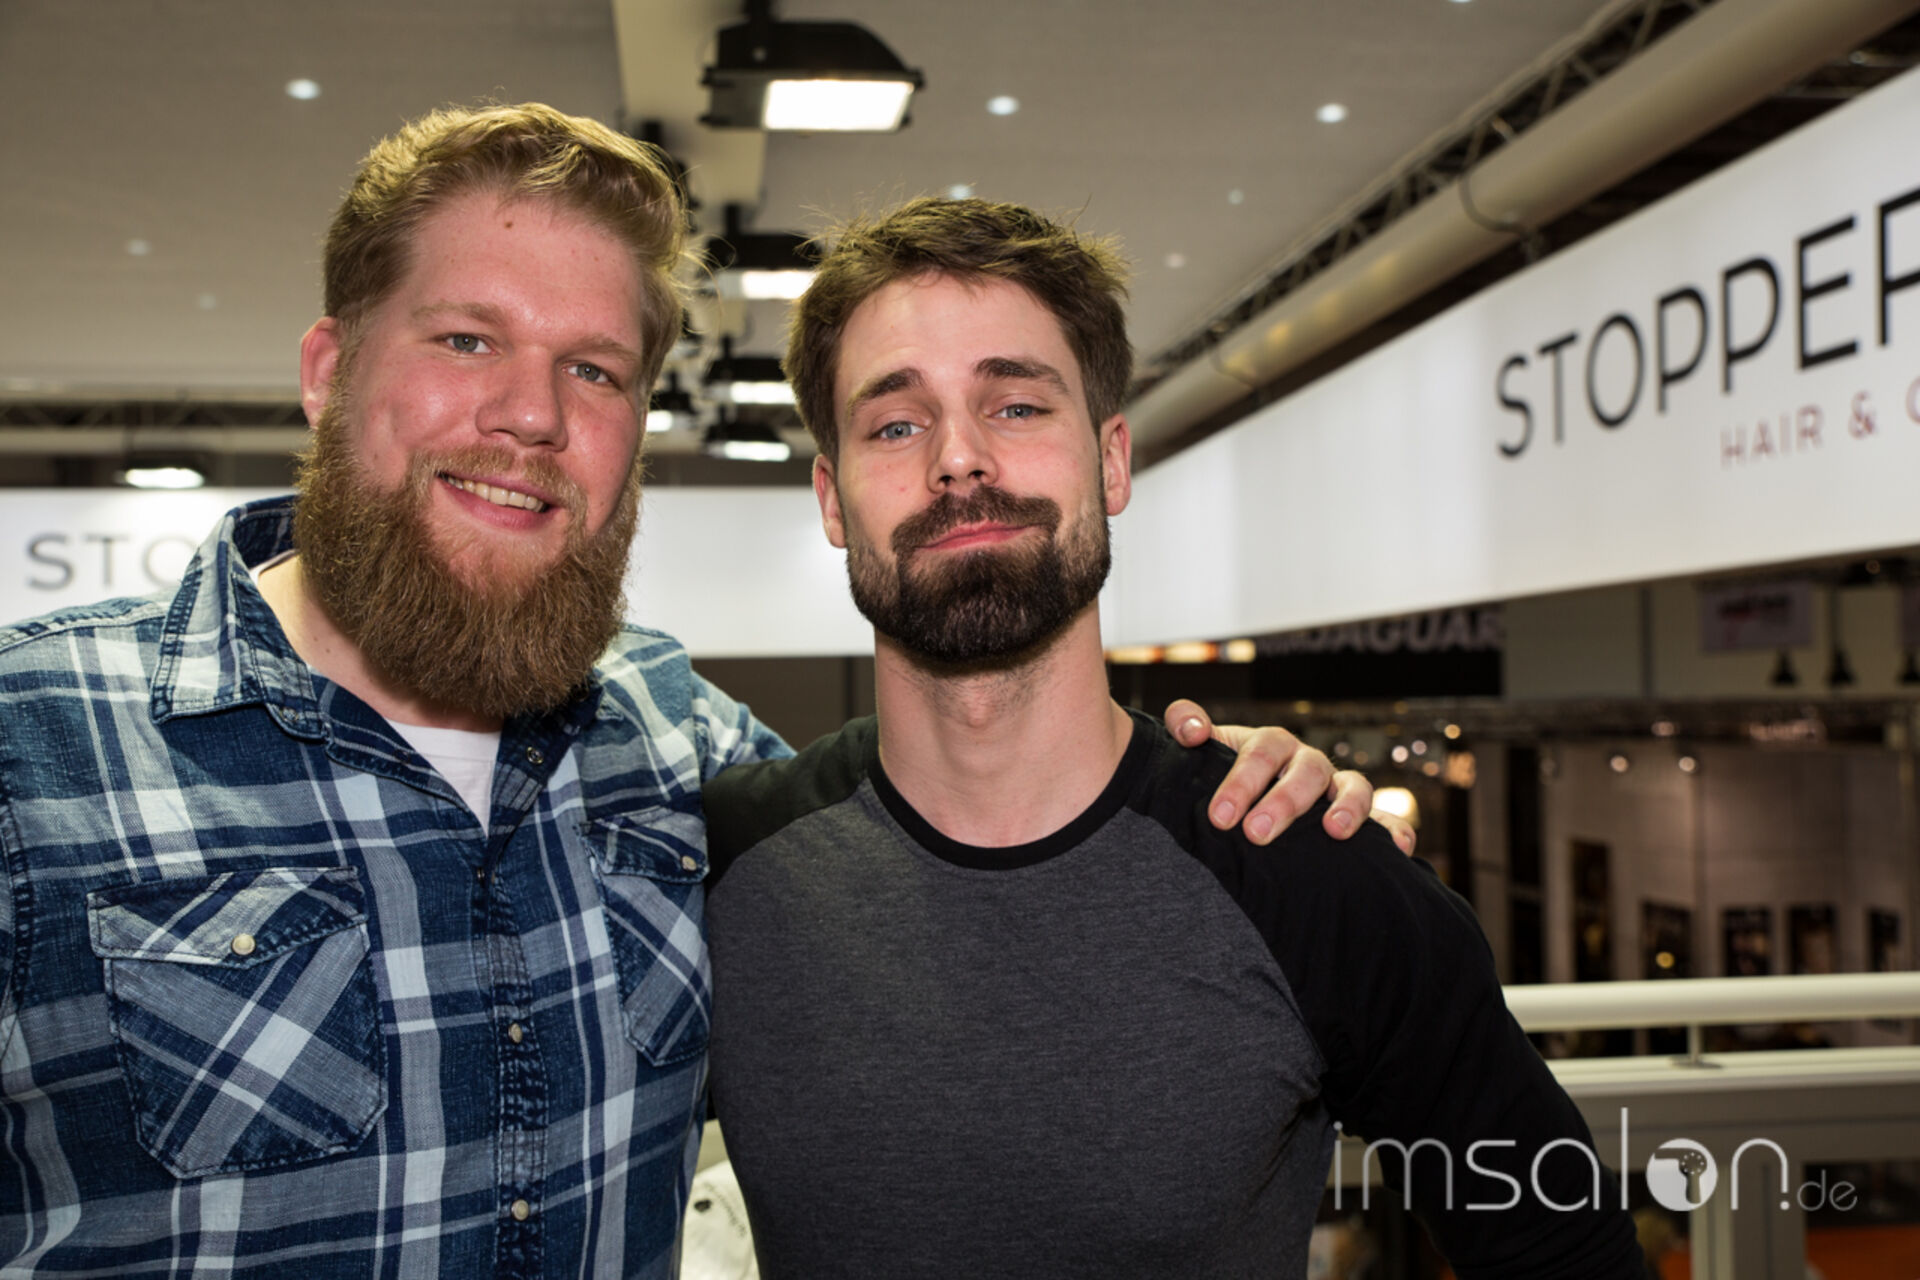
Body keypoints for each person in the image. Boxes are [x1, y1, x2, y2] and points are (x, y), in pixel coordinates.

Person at [0, 106, 1384, 1278]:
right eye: (467, 340)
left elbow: (978, 840)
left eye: (594, 369)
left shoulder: (682, 750)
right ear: (328, 372)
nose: (532, 415)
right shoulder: (34, 749)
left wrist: (1223, 790)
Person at [701, 198, 1645, 1277]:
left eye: (1016, 405)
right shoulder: (714, 872)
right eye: (896, 425)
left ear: (1112, 462)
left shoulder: (1306, 868)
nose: (959, 458)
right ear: (832, 498)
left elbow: (1565, 1251)